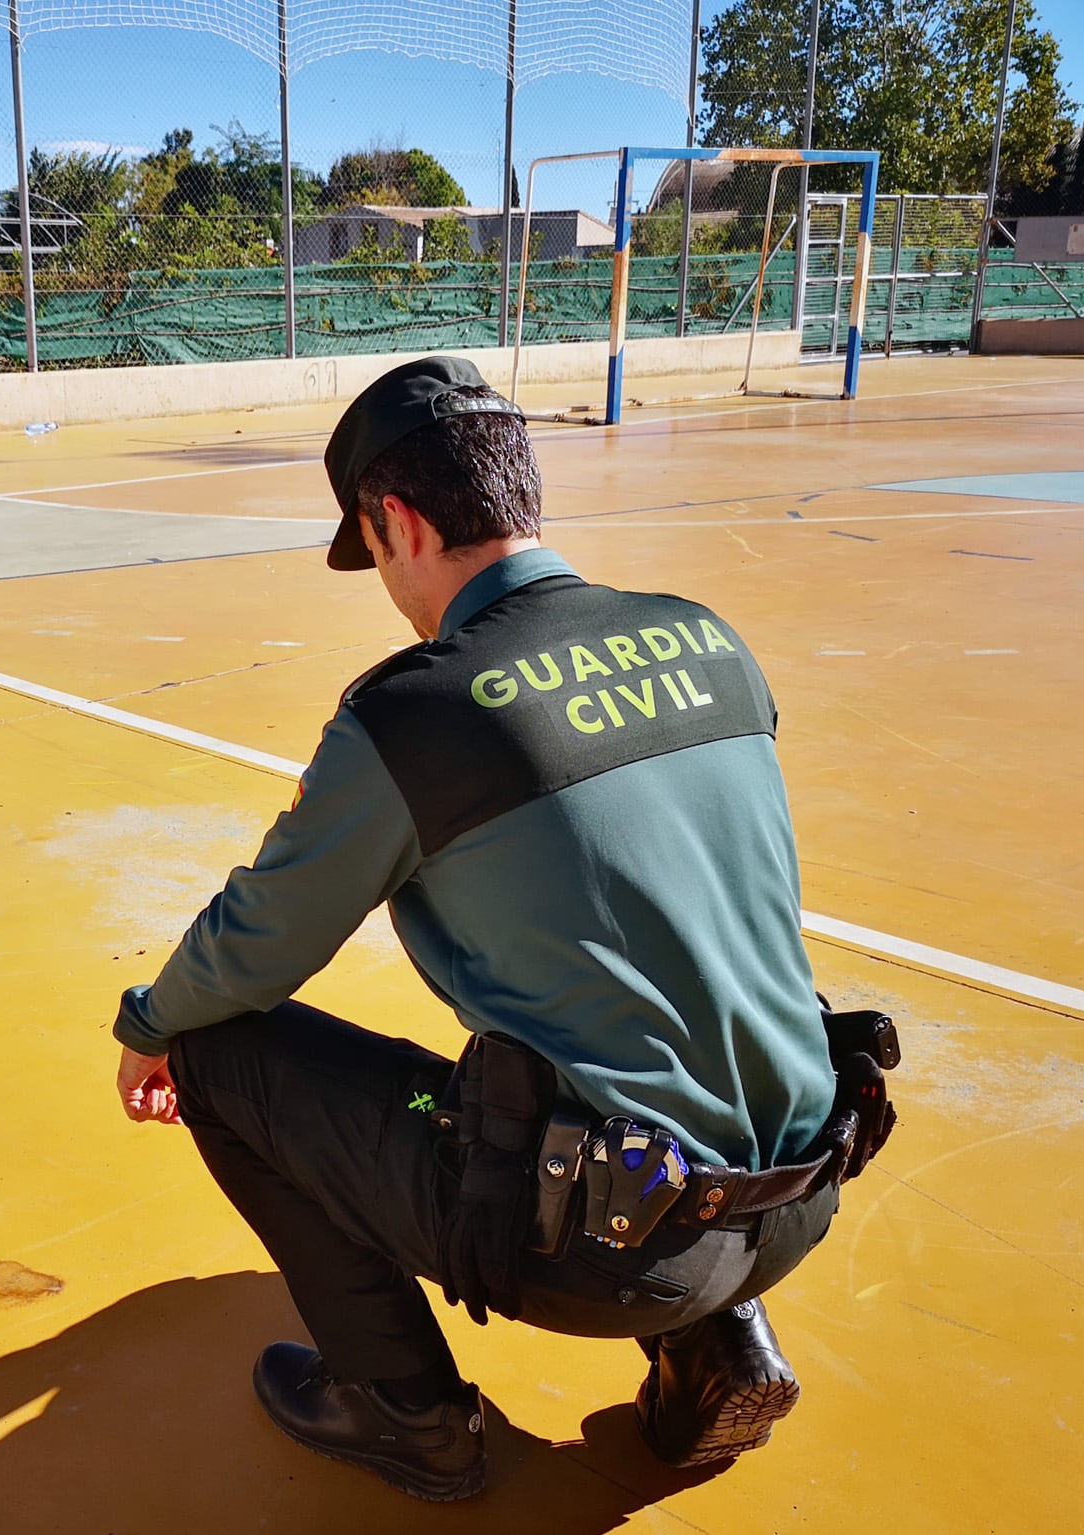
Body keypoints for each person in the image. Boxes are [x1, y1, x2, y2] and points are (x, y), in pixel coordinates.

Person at [111, 356, 892, 1502]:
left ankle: (404, 1411)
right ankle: (719, 1345)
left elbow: (259, 938)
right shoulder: (706, 639)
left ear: (398, 521)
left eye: (372, 551)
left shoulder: (416, 711)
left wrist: (145, 1022)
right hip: (801, 1185)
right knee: (661, 994)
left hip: (608, 1250)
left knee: (216, 1047)